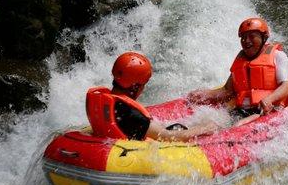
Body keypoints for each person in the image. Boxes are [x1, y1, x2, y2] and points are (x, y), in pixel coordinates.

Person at [86, 52, 219, 141]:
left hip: (114, 143)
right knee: (179, 129)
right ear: (135, 86)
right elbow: (168, 137)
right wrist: (203, 128)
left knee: (175, 126)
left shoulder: (103, 100)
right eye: (143, 84)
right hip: (132, 158)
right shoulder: (131, 114)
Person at [187, 17, 288, 126]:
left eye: (251, 36)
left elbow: (285, 87)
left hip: (267, 111)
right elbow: (227, 90)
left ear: (264, 37)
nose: (246, 41)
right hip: (241, 110)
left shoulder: (278, 56)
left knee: (238, 125)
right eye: (243, 37)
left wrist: (269, 99)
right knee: (211, 122)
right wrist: (204, 94)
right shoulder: (241, 62)